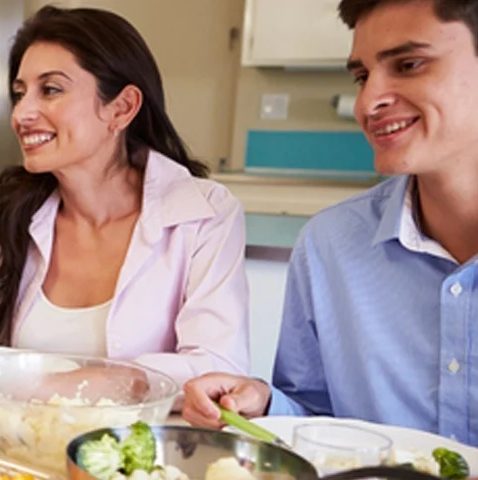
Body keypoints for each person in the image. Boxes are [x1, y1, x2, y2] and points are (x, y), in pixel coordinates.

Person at [0, 6, 251, 390]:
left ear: (121, 108)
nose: (22, 113)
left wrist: (83, 382)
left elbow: (218, 367)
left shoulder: (202, 215)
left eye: (51, 89)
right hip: (14, 439)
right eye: (19, 93)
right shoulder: (17, 212)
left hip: (135, 445)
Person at [181, 0, 478, 446]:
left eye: (409, 64)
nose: (368, 102)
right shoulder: (331, 243)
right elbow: (320, 419)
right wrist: (264, 404)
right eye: (361, 77)